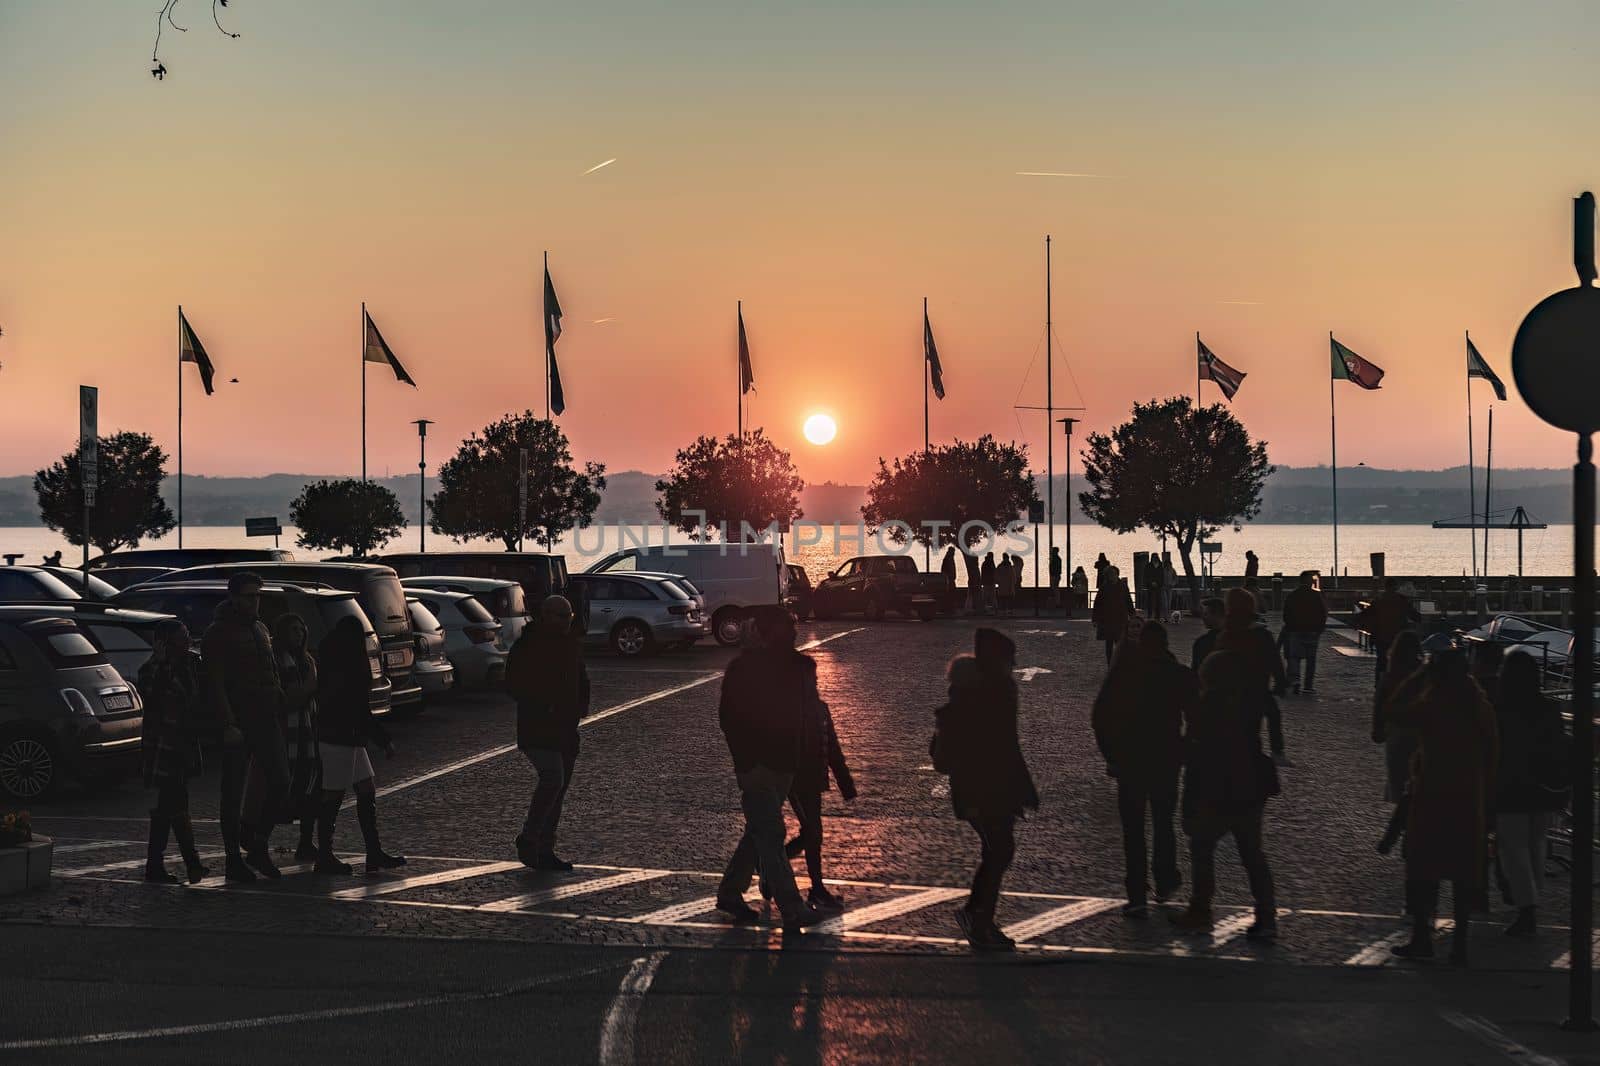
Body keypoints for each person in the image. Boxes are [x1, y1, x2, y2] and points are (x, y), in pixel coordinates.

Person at [716, 607, 826, 931]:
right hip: (763, 766)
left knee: (759, 833)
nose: (792, 632)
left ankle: (730, 893)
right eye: (785, 628)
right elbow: (731, 719)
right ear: (767, 633)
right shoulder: (754, 669)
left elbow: (806, 717)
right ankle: (791, 906)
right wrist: (747, 760)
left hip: (782, 764)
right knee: (771, 834)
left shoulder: (792, 667)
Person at [932, 629, 1039, 950]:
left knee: (996, 850)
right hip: (986, 788)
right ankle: (978, 919)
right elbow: (1003, 746)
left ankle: (978, 917)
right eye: (1010, 659)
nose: (1014, 665)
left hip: (984, 787)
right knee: (999, 850)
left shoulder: (973, 693)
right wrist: (1023, 788)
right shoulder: (995, 693)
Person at [1389, 649, 1497, 964]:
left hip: (1432, 796)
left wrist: (1417, 675)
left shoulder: (1434, 705)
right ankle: (1460, 943)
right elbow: (1493, 756)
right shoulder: (1481, 707)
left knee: (1425, 871)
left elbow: (1393, 710)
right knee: (1465, 874)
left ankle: (1423, 936)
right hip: (1469, 799)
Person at [1092, 622, 1197, 916]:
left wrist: (1111, 755)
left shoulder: (1125, 675)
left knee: (1133, 829)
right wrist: (1184, 749)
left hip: (1131, 760)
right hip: (1166, 759)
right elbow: (1198, 716)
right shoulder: (1178, 674)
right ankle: (1165, 880)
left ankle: (1136, 895)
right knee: (1164, 822)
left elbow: (1100, 716)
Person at [1172, 649, 1278, 940]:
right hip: (1249, 786)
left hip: (1216, 787)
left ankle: (1201, 909)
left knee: (1202, 848)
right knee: (1253, 854)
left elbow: (1197, 753)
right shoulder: (1248, 702)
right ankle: (1267, 916)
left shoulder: (1205, 706)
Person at [201, 570, 290, 883]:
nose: (255, 602)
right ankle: (232, 858)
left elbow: (271, 668)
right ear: (234, 597)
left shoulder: (260, 628)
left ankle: (257, 842)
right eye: (250, 596)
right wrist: (227, 723)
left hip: (266, 718)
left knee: (281, 781)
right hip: (238, 722)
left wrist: (278, 694)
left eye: (258, 596)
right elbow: (215, 683)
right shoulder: (218, 633)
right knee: (232, 792)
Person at [313, 616, 405, 874]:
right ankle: (326, 855)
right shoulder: (349, 666)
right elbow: (358, 708)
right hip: (341, 737)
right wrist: (382, 739)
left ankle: (372, 852)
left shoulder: (334, 659)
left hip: (344, 736)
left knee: (365, 789)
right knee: (335, 794)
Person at [506, 595, 591, 870]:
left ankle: (544, 848)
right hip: (538, 727)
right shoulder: (529, 646)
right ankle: (530, 838)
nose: (567, 622)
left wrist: (580, 706)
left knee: (559, 788)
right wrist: (546, 705)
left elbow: (581, 677)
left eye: (569, 617)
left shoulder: (570, 645)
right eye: (562, 617)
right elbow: (515, 684)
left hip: (565, 728)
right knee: (553, 779)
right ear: (546, 616)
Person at [1493, 650, 1568, 937]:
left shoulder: (1502, 709)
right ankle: (1531, 902)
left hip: (1512, 788)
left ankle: (1527, 907)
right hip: (1543, 787)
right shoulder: (1548, 708)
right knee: (1536, 845)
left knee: (1513, 849)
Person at [138, 620, 209, 884]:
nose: (187, 641)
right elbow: (153, 695)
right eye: (182, 637)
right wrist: (162, 662)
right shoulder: (152, 670)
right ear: (165, 642)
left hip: (181, 743)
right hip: (164, 746)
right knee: (174, 804)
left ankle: (162, 866)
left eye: (188, 635)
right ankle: (189, 864)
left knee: (171, 805)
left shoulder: (189, 665)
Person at [784, 688, 857, 912]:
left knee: (813, 834)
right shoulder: (791, 710)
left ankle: (776, 867)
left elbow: (833, 747)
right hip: (795, 781)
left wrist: (845, 782)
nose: (813, 684)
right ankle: (809, 884)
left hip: (813, 781)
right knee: (812, 833)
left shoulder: (819, 708)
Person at [264, 614, 321, 863]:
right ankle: (258, 840)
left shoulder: (307, 660)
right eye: (293, 630)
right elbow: (289, 699)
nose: (298, 634)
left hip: (307, 733)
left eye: (301, 629)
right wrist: (309, 687)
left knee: (310, 790)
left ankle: (306, 841)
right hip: (287, 733)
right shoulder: (279, 661)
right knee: (279, 791)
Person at [1215, 588, 1289, 766]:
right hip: (1257, 687)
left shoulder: (1225, 634)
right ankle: (1274, 753)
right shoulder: (1261, 634)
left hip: (1231, 691)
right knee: (1266, 719)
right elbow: (1274, 661)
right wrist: (1280, 683)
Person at [1360, 577, 1421, 684]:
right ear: (1396, 587)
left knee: (1381, 661)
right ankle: (1396, 683)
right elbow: (1416, 616)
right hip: (1398, 637)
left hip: (1380, 636)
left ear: (1385, 587)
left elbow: (1365, 615)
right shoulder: (1402, 601)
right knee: (1398, 660)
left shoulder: (1378, 600)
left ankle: (1379, 684)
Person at [1280, 571, 1328, 695]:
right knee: (1311, 660)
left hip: (1295, 630)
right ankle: (1308, 685)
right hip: (1312, 631)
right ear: (1309, 581)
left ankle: (1295, 680)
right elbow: (1323, 613)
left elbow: (1286, 613)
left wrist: (1290, 626)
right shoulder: (1316, 596)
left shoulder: (1292, 595)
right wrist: (1320, 628)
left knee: (1294, 657)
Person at [1092, 566, 1133, 664]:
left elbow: (1128, 601)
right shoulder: (1104, 588)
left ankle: (1120, 663)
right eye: (1110, 574)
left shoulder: (1123, 586)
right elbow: (1097, 604)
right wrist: (1095, 619)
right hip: (1108, 619)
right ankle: (1110, 664)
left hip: (1121, 618)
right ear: (1107, 576)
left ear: (1117, 574)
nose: (1113, 576)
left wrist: (1132, 614)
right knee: (1109, 644)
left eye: (1114, 574)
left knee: (1120, 643)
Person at [1190, 597, 1225, 672]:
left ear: (1217, 615)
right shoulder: (1237, 638)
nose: (1203, 617)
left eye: (1206, 614)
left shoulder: (1202, 642)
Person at [962, 550, 982, 614]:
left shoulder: (973, 567)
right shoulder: (975, 567)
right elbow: (976, 576)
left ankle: (969, 608)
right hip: (974, 584)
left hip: (973, 583)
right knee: (971, 596)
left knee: (970, 596)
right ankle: (970, 608)